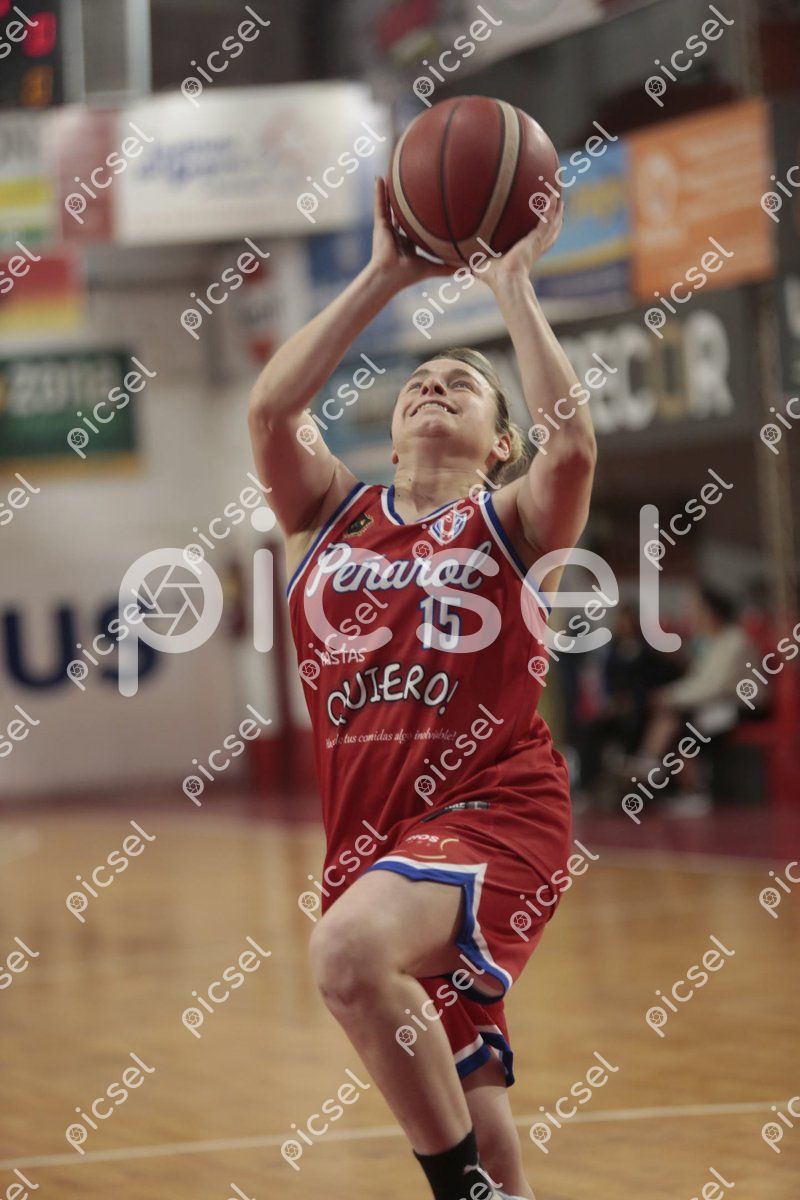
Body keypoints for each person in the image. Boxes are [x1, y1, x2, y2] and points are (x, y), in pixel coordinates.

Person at [248, 179, 596, 1200]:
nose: (434, 385)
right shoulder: (329, 513)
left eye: (463, 384)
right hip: (374, 838)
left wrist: (513, 283)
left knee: (346, 954)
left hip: (495, 810)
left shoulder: (513, 520)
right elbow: (271, 409)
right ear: (391, 433)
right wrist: (383, 275)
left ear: (501, 443)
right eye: (418, 382)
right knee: (485, 1129)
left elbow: (572, 445)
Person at [634, 583, 757, 815]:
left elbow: (715, 686)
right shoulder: (708, 642)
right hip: (715, 703)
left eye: (695, 609)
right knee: (669, 713)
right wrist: (670, 696)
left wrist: (672, 697)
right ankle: (649, 762)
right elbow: (697, 682)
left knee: (689, 727)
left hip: (741, 705)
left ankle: (694, 791)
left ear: (711, 612)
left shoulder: (735, 641)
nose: (690, 615)